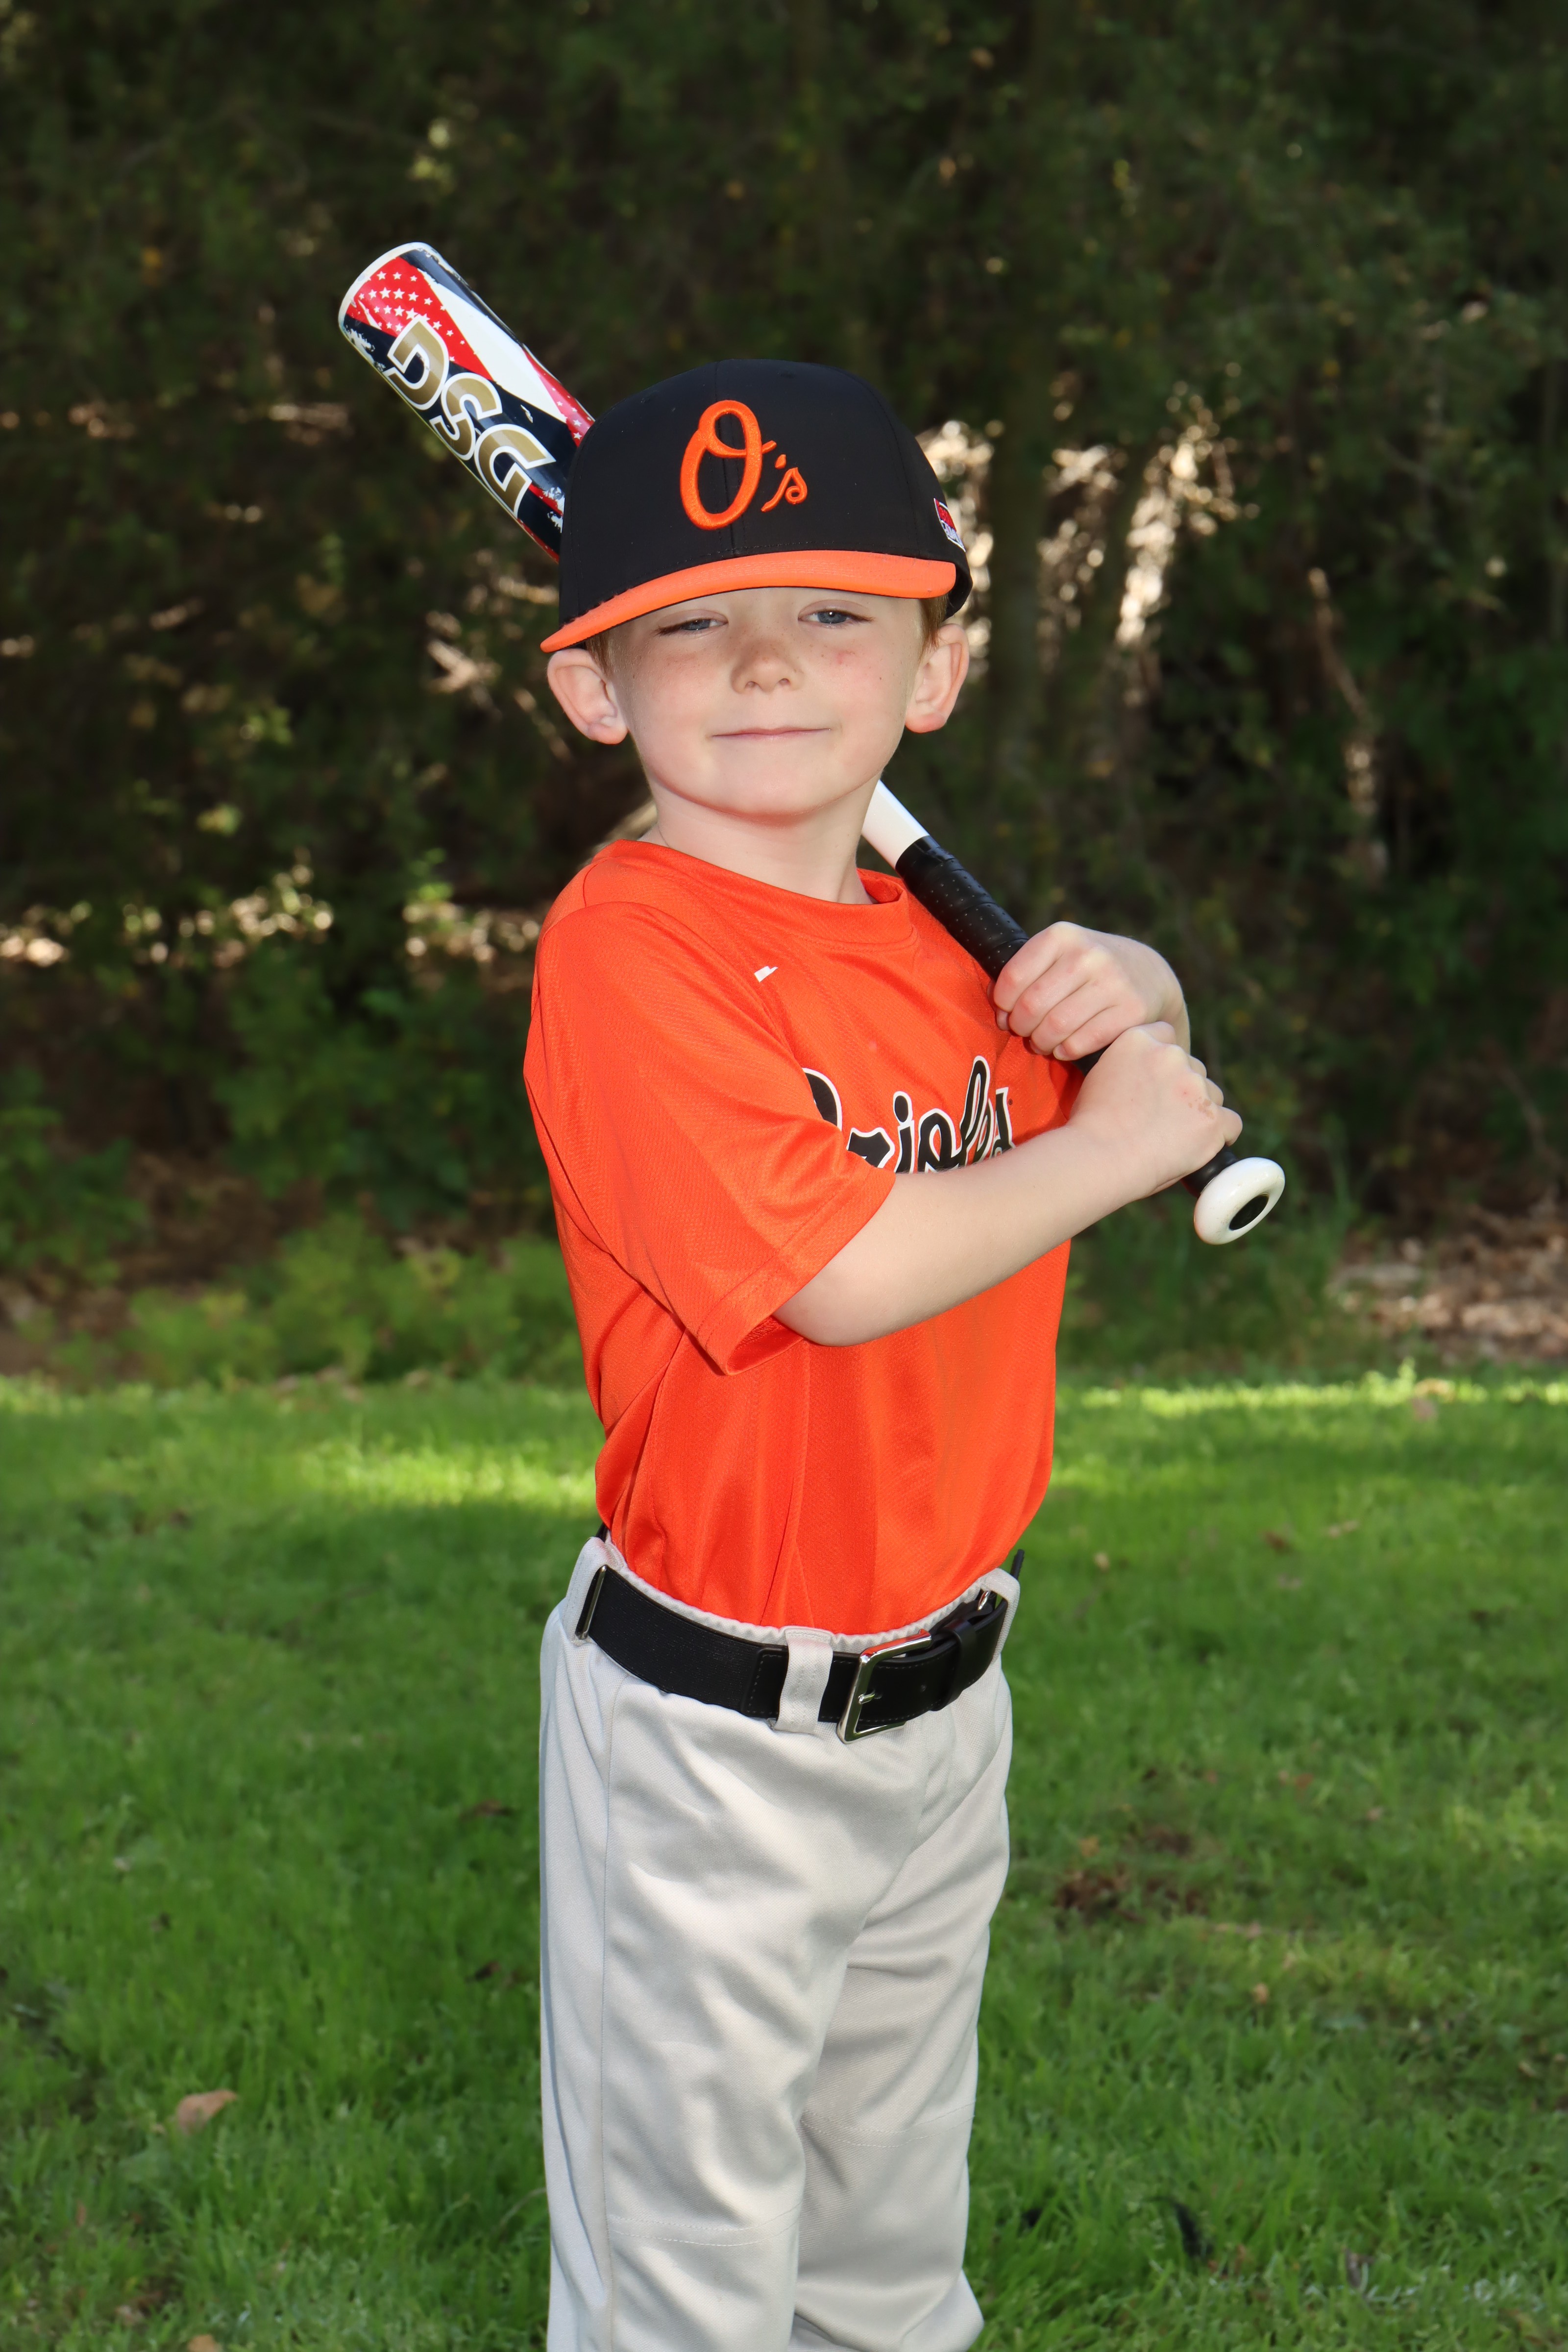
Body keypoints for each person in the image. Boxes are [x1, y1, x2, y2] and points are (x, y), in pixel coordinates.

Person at [523, 359, 1239, 2352]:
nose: (766, 664)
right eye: (693, 625)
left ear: (935, 670)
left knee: (883, 2263)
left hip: (944, 1697)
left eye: (834, 613)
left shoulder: (942, 947)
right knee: (688, 2286)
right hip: (715, 1738)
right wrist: (1108, 1150)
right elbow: (844, 1272)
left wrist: (1140, 989)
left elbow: (1096, 1072)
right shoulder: (629, 952)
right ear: (595, 688)